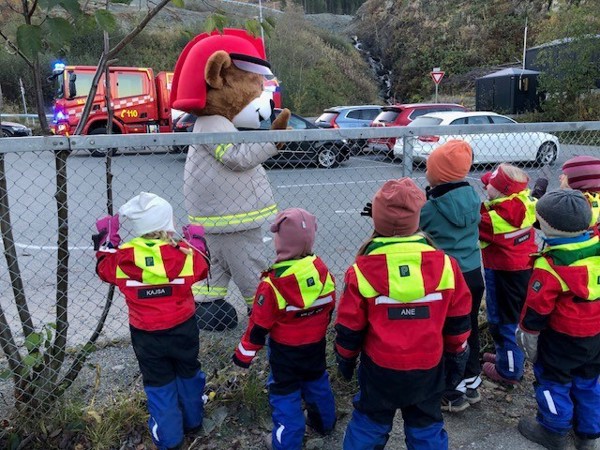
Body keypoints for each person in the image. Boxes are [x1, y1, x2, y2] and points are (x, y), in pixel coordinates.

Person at [336, 178, 472, 450]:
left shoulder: (361, 270)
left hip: (380, 368)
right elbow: (458, 320)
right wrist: (458, 354)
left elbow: (349, 326)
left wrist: (345, 359)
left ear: (376, 219)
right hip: (429, 366)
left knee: (370, 421)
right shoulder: (447, 265)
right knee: (426, 424)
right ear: (417, 218)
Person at [94, 192, 210, 450]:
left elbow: (103, 267)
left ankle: (170, 438)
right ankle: (193, 420)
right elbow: (202, 266)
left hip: (146, 333)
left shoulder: (123, 258)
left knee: (159, 382)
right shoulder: (182, 255)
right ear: (167, 225)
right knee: (188, 370)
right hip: (183, 327)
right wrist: (196, 240)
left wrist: (107, 237)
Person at [232, 208, 337, 450]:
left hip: (285, 352)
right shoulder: (323, 273)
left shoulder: (272, 284)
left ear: (280, 242)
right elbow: (330, 307)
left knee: (284, 393)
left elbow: (258, 326)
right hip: (315, 345)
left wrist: (243, 356)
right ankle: (324, 423)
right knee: (317, 382)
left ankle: (287, 442)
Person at [516, 190, 600, 450]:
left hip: (561, 338)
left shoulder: (550, 266)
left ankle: (553, 430)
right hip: (595, 333)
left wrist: (527, 337)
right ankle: (588, 435)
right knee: (589, 381)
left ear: (547, 227)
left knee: (553, 381)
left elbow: (536, 310)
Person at [419, 140, 485, 412]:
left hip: (448, 278)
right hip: (473, 274)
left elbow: (414, 228)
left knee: (449, 333)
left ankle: (451, 392)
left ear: (438, 174)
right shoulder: (472, 198)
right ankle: (472, 382)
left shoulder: (431, 209)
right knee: (470, 327)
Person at [479, 164, 538, 386]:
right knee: (515, 317)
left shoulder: (494, 220)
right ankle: (507, 356)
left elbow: (469, 221)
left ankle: (509, 371)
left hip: (503, 274)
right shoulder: (524, 202)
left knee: (503, 321)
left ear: (500, 192)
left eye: (490, 184)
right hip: (524, 270)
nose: (485, 185)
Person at [560, 155, 600, 234]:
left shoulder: (575, 202)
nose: (560, 177)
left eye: (564, 174)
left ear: (576, 179)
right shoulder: (595, 197)